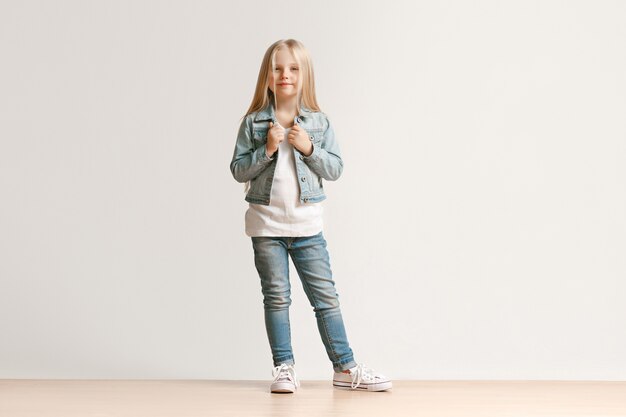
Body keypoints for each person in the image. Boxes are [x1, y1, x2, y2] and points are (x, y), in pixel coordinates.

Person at [230, 39, 392, 393]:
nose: (285, 74)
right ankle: (284, 368)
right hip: (266, 227)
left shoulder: (318, 123)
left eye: (293, 68)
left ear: (304, 76)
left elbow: (335, 168)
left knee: (326, 299)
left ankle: (345, 368)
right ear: (267, 77)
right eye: (277, 68)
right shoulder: (254, 123)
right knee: (276, 297)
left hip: (307, 227)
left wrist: (309, 148)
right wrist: (267, 149)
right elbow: (238, 171)